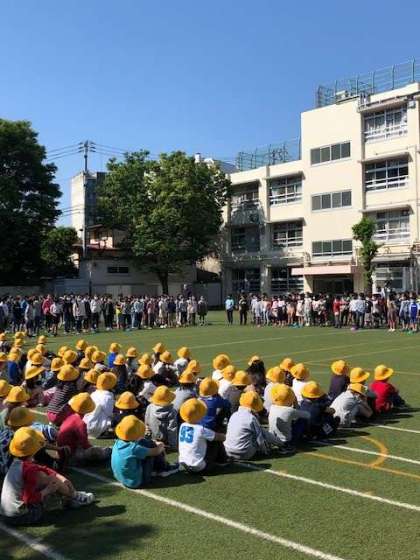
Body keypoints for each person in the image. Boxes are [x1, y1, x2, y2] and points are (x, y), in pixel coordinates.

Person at [0, 427, 94, 525]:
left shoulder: (16, 463)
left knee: (47, 477)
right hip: (23, 515)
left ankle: (71, 496)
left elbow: (39, 468)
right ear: (34, 449)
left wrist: (57, 475)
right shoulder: (30, 469)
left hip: (6, 515)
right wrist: (47, 490)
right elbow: (29, 498)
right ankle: (74, 497)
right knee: (51, 481)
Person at [111, 415, 177, 488]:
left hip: (120, 478)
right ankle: (164, 469)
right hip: (136, 482)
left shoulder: (117, 442)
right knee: (151, 446)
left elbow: (139, 441)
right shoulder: (134, 448)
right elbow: (156, 451)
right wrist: (161, 444)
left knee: (145, 442)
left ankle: (156, 469)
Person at [224, 391, 283, 460]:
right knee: (261, 433)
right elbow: (260, 439)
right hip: (244, 453)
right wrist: (266, 450)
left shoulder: (234, 415)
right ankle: (280, 443)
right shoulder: (251, 418)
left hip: (227, 451)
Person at [57, 393, 111, 465]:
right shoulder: (80, 423)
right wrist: (96, 450)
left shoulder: (71, 416)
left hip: (62, 451)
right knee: (96, 452)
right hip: (71, 456)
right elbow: (85, 444)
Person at [178, 398, 226, 473]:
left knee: (209, 438)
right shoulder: (201, 429)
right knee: (215, 440)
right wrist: (224, 434)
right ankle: (222, 461)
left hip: (184, 465)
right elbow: (222, 438)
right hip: (200, 467)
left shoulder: (182, 426)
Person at [268, 384, 310, 448]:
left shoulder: (272, 407)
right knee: (303, 420)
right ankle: (307, 436)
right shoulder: (289, 410)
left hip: (273, 438)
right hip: (287, 441)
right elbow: (308, 415)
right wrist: (296, 404)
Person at [84, 372, 118, 437]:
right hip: (98, 426)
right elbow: (109, 413)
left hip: (87, 422)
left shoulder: (94, 393)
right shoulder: (108, 396)